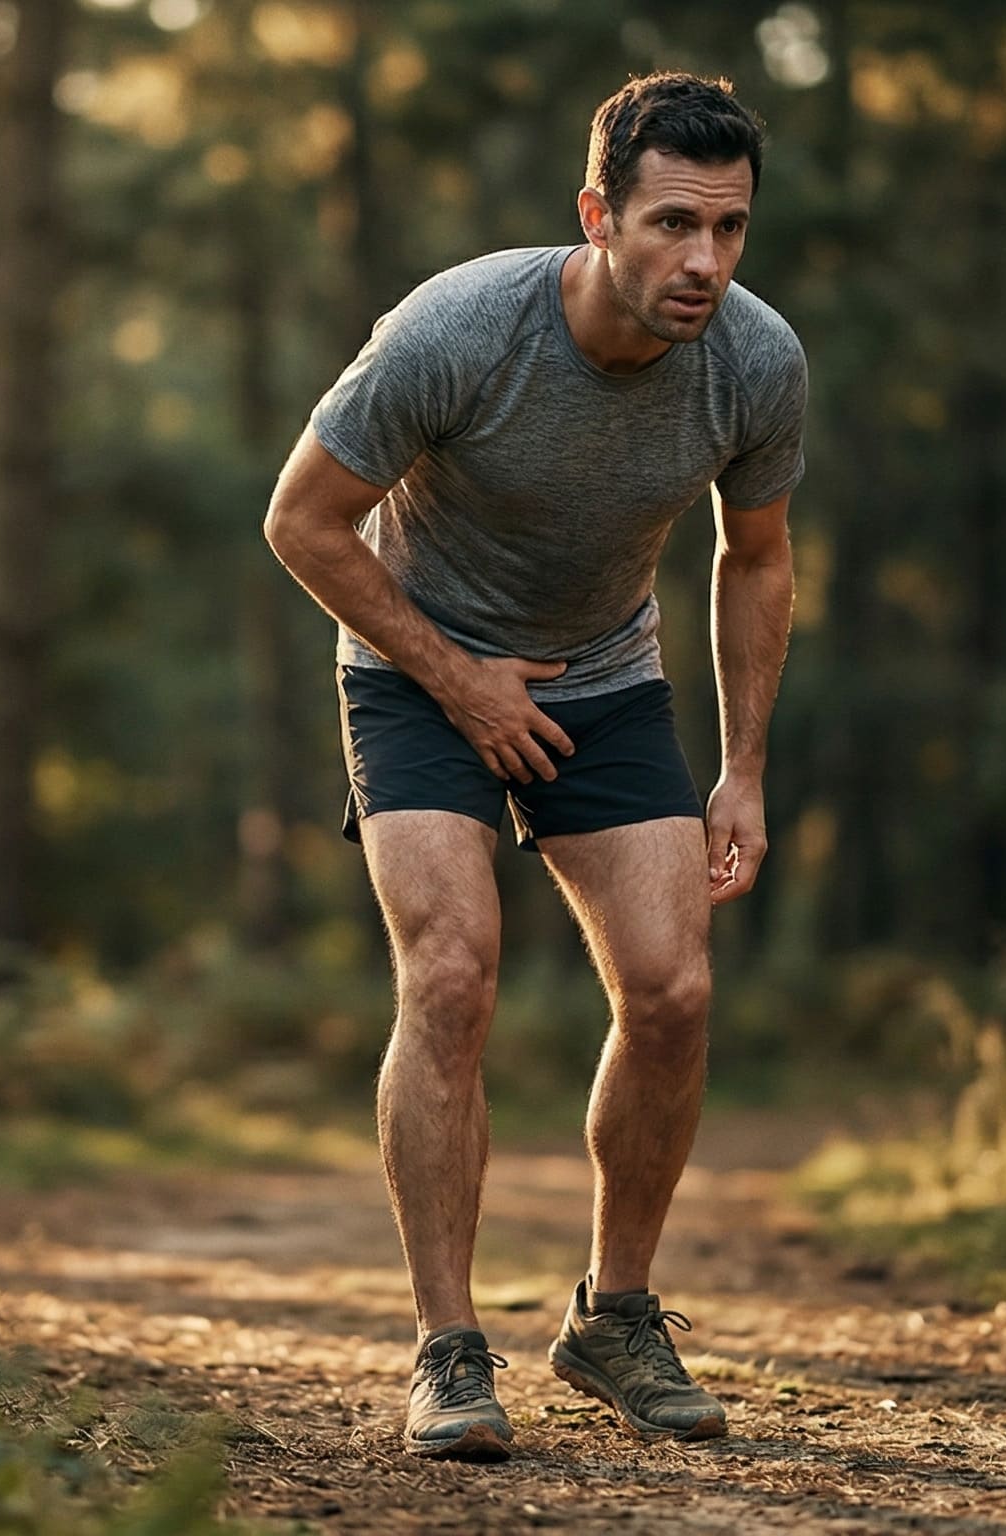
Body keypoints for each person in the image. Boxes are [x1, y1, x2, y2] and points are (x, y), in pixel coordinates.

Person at [260, 70, 805, 1462]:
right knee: (450, 971)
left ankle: (614, 1317)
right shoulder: (460, 331)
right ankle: (448, 1352)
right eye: (674, 223)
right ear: (597, 214)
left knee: (674, 987)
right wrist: (457, 679)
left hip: (607, 677)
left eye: (730, 229)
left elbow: (758, 558)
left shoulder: (755, 362)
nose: (704, 262)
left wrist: (741, 771)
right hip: (413, 669)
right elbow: (305, 523)